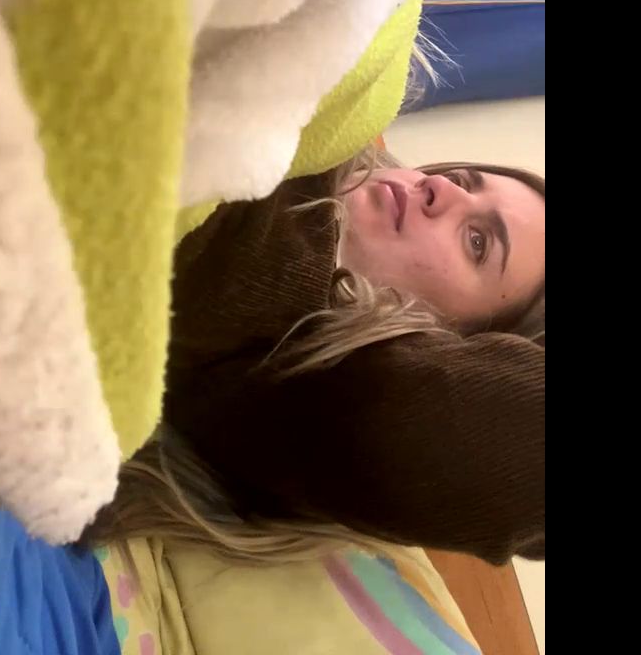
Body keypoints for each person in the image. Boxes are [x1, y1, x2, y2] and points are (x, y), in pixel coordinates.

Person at [87, 149, 545, 566]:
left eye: (477, 242)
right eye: (463, 180)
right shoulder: (322, 137)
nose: (440, 188)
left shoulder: (294, 367)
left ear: (448, 344)